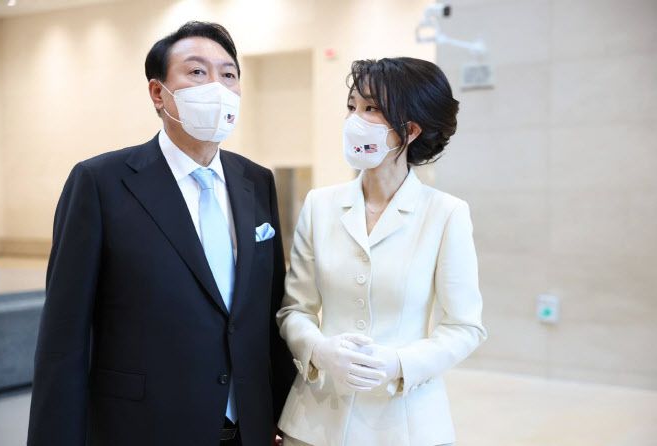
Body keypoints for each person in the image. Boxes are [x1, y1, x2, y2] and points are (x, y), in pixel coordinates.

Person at [27, 21, 295, 446]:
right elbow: (64, 335)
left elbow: (267, 312)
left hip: (248, 428)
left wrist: (285, 416)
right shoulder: (101, 182)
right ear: (158, 92)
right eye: (197, 71)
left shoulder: (256, 181)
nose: (217, 86)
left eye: (228, 74)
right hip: (144, 426)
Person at [276, 57, 487, 446]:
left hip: (405, 423)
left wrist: (399, 364)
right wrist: (320, 350)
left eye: (371, 108)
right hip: (315, 421)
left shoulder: (445, 214)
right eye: (352, 106)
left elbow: (465, 326)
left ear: (410, 129)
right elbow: (294, 310)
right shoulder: (320, 205)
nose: (355, 120)